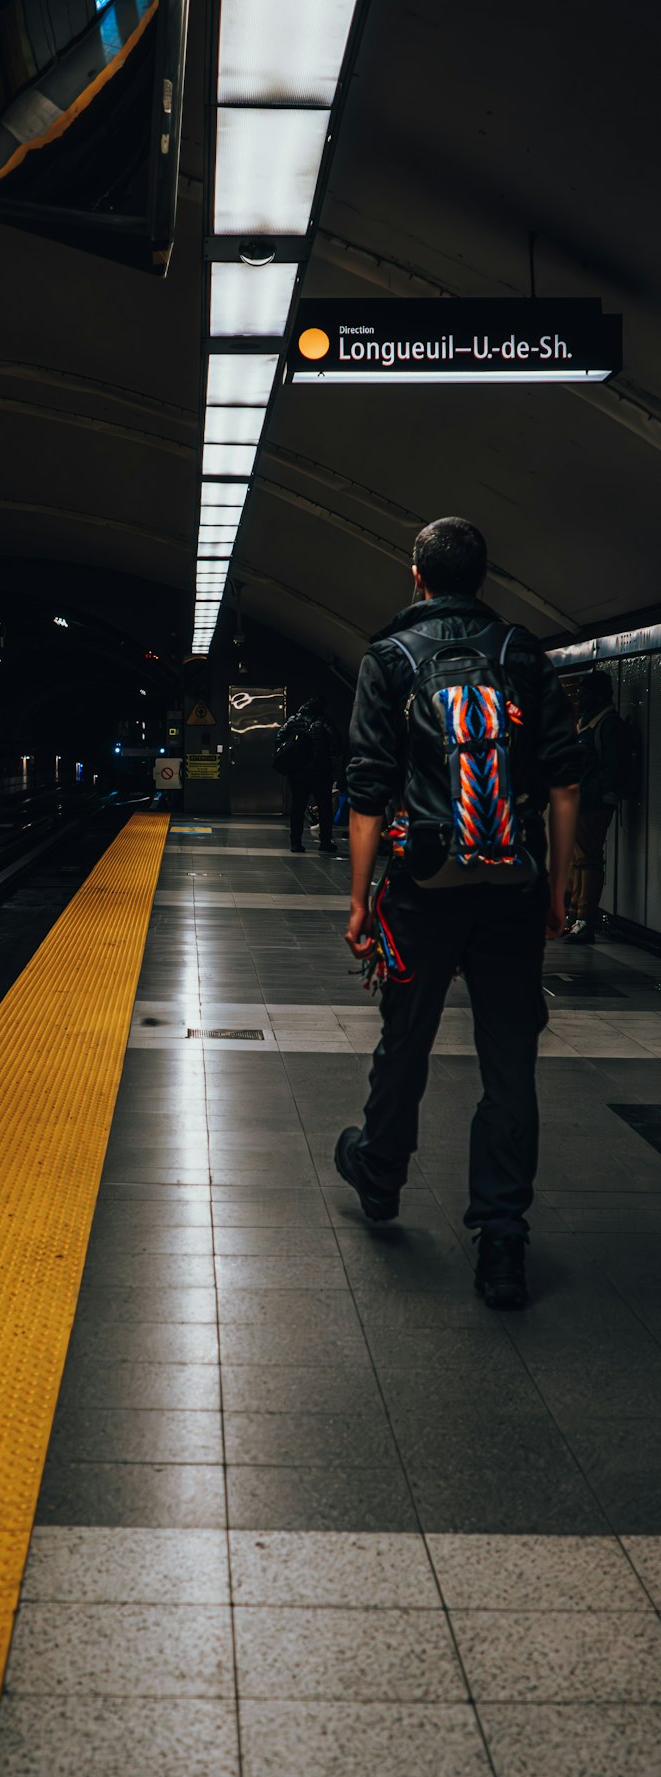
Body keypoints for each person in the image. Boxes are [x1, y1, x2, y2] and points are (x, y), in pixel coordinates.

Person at [335, 516, 581, 1309]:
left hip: (422, 886)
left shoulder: (390, 659)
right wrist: (556, 889)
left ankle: (379, 1173)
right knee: (509, 1059)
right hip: (511, 889)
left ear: (417, 576)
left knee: (405, 1037)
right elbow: (564, 785)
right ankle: (502, 1239)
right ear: (484, 579)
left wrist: (361, 904)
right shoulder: (523, 655)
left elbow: (369, 793)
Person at [564, 671, 620, 944]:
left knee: (588, 859)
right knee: (578, 860)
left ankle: (585, 920)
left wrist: (586, 792)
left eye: (585, 692)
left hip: (593, 803)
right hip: (580, 800)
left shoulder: (607, 725)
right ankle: (575, 916)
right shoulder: (586, 724)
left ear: (598, 695)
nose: (580, 697)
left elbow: (612, 770)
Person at [275, 695, 336, 853]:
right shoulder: (323, 721)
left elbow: (279, 738)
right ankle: (325, 842)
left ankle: (295, 842)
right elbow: (337, 743)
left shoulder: (293, 720)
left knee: (297, 806)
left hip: (296, 771)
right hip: (320, 771)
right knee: (324, 807)